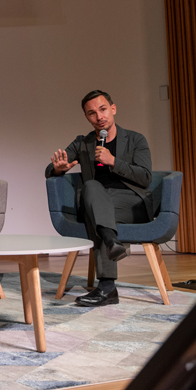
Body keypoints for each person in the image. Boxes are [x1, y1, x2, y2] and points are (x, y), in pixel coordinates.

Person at [46, 90, 153, 307]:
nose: (99, 116)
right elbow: (51, 169)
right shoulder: (82, 143)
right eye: (92, 113)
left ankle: (106, 286)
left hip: (131, 201)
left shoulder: (135, 139)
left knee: (96, 213)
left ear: (113, 109)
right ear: (87, 117)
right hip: (97, 200)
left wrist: (113, 161)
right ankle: (111, 248)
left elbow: (146, 177)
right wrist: (58, 169)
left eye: (103, 109)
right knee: (93, 188)